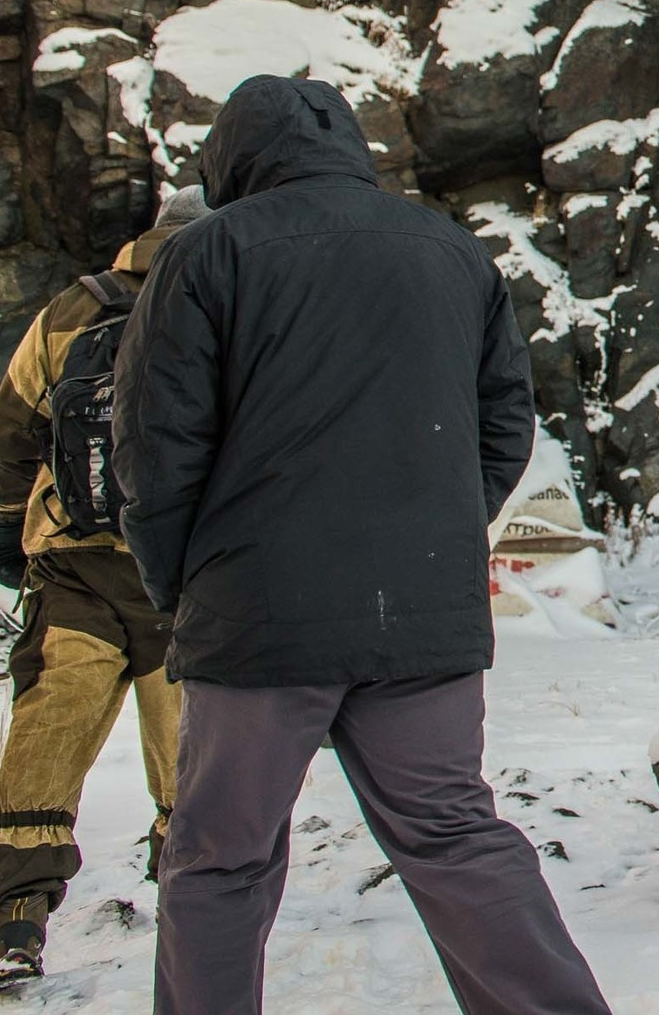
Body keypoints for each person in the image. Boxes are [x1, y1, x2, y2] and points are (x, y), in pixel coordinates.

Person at [112, 75, 611, 1015]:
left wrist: (184, 588)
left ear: (231, 158)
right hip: (424, 617)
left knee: (220, 861)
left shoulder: (208, 253)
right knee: (458, 838)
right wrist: (439, 531)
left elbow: (155, 449)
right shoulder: (453, 252)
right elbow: (507, 423)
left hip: (258, 619)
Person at [0, 184, 209, 993]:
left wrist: (7, 526)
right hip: (185, 577)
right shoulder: (232, 303)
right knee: (194, 755)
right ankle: (197, 916)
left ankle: (16, 924)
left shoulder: (78, 306)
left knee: (48, 733)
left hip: (75, 568)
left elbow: (13, 425)